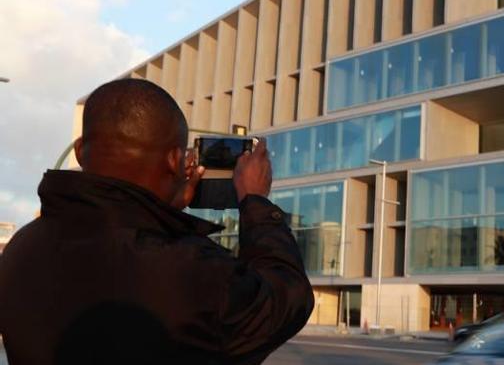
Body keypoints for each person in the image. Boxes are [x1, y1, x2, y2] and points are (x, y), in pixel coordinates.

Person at [0, 79, 314, 364]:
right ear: (176, 161)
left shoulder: (20, 250)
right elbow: (287, 299)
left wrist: (164, 211)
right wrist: (256, 202)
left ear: (80, 151)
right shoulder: (193, 269)